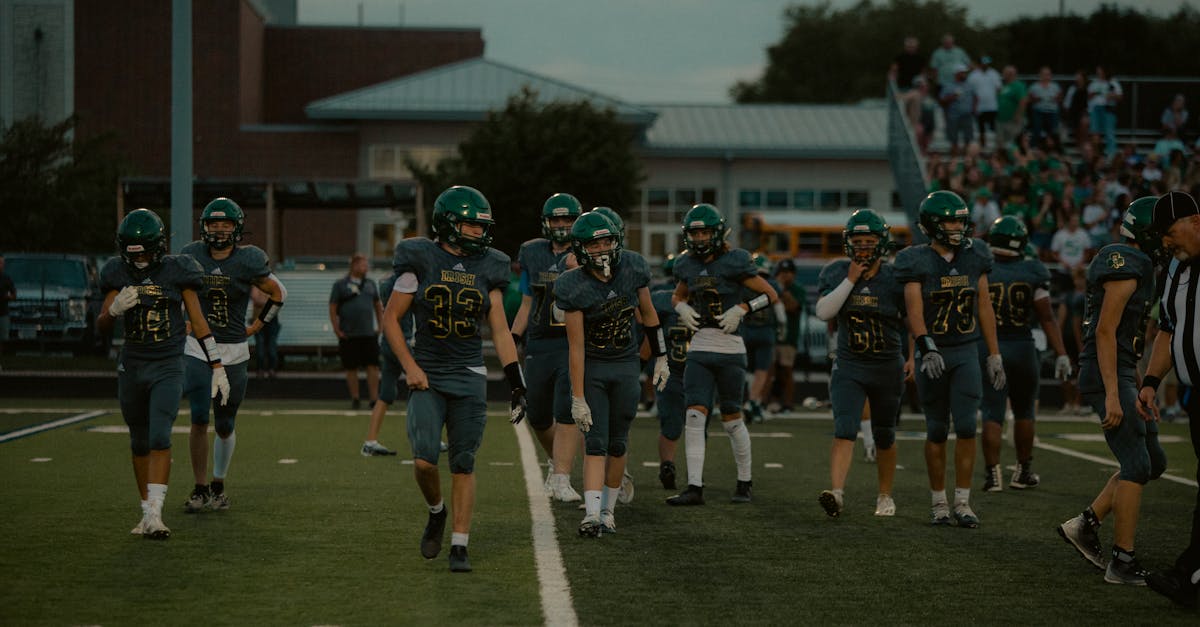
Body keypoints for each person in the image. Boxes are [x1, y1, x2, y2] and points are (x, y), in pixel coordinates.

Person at [380, 185, 528, 572]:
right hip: (428, 373)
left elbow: (499, 331)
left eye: (482, 227)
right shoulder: (420, 258)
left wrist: (516, 381)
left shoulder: (489, 266)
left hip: (469, 374)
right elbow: (391, 319)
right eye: (472, 226)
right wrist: (410, 366)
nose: (480, 233)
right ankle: (436, 511)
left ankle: (460, 544)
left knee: (463, 461)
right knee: (425, 460)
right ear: (448, 224)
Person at [96, 208, 229, 539]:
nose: (138, 262)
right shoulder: (116, 272)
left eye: (144, 254)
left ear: (158, 247)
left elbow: (197, 320)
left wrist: (216, 364)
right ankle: (146, 513)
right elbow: (101, 324)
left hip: (168, 362)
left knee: (159, 435)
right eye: (132, 254)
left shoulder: (176, 269)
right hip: (133, 363)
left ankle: (155, 512)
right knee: (139, 441)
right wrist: (113, 311)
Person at [1056, 196, 1167, 585]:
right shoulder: (1125, 260)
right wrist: (1114, 392)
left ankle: (1085, 524)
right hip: (1105, 372)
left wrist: (1137, 384)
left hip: (1120, 370)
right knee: (1136, 465)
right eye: (1163, 232)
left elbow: (1126, 338)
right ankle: (1122, 561)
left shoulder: (1139, 263)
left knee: (1154, 462)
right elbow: (1105, 330)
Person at [894, 191, 1004, 528]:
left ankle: (963, 502)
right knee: (937, 428)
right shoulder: (915, 259)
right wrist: (926, 347)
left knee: (968, 425)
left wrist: (995, 353)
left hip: (965, 350)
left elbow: (984, 305)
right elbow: (913, 312)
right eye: (950, 220)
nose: (958, 226)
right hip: (933, 353)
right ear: (932, 225)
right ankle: (939, 502)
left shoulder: (976, 255)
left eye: (960, 219)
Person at [555, 212, 667, 535]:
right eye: (595, 243)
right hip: (595, 367)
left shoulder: (632, 268)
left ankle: (608, 510)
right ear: (580, 248)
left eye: (607, 241)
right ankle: (591, 516)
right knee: (595, 441)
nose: (603, 248)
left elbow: (649, 315)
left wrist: (661, 357)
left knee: (618, 443)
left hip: (626, 365)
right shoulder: (573, 284)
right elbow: (575, 346)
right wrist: (577, 397)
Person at [666, 203, 779, 506]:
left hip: (730, 349)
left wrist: (742, 308)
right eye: (695, 232)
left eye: (705, 231)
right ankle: (694, 487)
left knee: (731, 419)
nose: (700, 237)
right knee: (693, 415)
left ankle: (745, 483)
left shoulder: (735, 261)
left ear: (717, 233)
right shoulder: (686, 264)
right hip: (700, 346)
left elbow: (770, 294)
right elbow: (678, 293)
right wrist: (681, 306)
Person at [180, 198, 286, 513]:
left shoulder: (248, 260)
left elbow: (278, 293)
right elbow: (174, 290)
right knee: (199, 418)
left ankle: (218, 484)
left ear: (236, 227)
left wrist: (256, 325)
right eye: (214, 223)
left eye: (225, 224)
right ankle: (199, 488)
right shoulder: (190, 255)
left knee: (225, 424)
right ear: (204, 226)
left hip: (235, 350)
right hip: (198, 348)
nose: (219, 229)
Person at [814, 210, 909, 518]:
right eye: (858, 241)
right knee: (844, 429)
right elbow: (824, 312)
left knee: (884, 434)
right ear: (848, 243)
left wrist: (911, 357)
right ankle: (837, 493)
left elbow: (912, 319)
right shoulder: (837, 271)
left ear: (881, 243)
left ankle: (884, 496)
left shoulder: (896, 277)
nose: (864, 247)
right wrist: (851, 279)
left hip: (886, 365)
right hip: (850, 365)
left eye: (870, 241)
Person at [978, 216, 1072, 492]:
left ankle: (992, 475)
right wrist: (1062, 353)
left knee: (992, 413)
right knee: (1024, 412)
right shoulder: (1032, 269)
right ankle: (1022, 471)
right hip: (1023, 346)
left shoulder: (983, 269)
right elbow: (1047, 317)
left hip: (991, 346)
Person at [1143, 190, 1200, 606]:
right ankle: (1189, 575)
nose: (1166, 242)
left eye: (1169, 232)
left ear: (1194, 222)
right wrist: (1150, 380)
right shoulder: (1177, 272)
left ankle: (1188, 574)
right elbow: (1167, 329)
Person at [510, 192, 584, 501]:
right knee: (538, 416)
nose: (563, 225)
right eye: (557, 219)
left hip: (571, 342)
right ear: (547, 222)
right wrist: (513, 337)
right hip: (539, 342)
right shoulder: (532, 253)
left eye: (568, 219)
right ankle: (556, 461)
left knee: (567, 410)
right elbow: (527, 302)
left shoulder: (587, 251)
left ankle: (562, 477)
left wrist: (579, 266)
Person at [651, 254, 689, 489]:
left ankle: (693, 473)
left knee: (695, 424)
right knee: (672, 423)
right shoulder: (663, 300)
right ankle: (668, 464)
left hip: (699, 370)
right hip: (672, 370)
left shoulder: (710, 300)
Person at [361, 271, 408, 457]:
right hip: (400, 341)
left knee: (386, 394)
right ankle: (430, 437)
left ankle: (370, 441)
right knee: (424, 385)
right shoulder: (403, 281)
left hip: (388, 341)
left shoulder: (387, 281)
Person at [329, 253, 384, 410]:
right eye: (362, 264)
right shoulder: (340, 285)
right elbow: (332, 308)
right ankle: (355, 398)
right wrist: (336, 329)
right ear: (353, 265)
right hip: (349, 334)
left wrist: (380, 326)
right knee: (351, 367)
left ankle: (374, 399)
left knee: (372, 366)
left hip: (368, 334)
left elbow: (378, 306)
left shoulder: (371, 284)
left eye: (366, 265)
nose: (365, 267)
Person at [742, 253, 786, 423]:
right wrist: (782, 329)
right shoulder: (772, 284)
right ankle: (753, 402)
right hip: (766, 331)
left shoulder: (745, 284)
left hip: (746, 330)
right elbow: (779, 310)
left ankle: (750, 402)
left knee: (748, 369)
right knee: (762, 370)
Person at [769, 258, 802, 413]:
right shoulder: (771, 288)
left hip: (789, 337)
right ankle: (771, 402)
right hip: (772, 334)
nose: (785, 276)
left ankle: (788, 403)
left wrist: (782, 291)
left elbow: (793, 307)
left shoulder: (797, 289)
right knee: (771, 370)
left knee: (787, 370)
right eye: (782, 273)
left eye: (788, 273)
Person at [939, 63, 975, 157]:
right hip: (953, 116)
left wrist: (974, 109)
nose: (965, 74)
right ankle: (954, 161)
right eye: (962, 73)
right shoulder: (948, 86)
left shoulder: (969, 85)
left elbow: (975, 97)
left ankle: (967, 160)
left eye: (965, 73)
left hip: (967, 115)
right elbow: (942, 101)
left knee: (968, 139)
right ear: (957, 74)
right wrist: (952, 97)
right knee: (953, 140)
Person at [967, 56, 1002, 149]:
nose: (986, 65)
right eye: (984, 63)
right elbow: (970, 91)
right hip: (979, 107)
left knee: (995, 129)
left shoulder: (994, 73)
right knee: (981, 130)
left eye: (987, 64)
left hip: (992, 106)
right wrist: (973, 106)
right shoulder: (973, 75)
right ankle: (983, 148)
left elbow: (999, 89)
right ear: (980, 64)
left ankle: (997, 148)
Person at [1088, 65, 1122, 157]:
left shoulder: (1113, 82)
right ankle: (1096, 155)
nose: (1098, 73)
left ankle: (1111, 154)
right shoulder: (1094, 83)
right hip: (1095, 109)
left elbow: (1120, 97)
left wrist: (1112, 96)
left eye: (1100, 71)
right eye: (1097, 71)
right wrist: (1095, 93)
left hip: (1108, 108)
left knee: (1109, 132)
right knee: (1095, 132)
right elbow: (1088, 96)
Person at [250, 284, 281, 379]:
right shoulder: (257, 284)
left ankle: (271, 369)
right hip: (259, 319)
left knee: (271, 345)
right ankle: (261, 369)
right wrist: (270, 302)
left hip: (271, 319)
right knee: (260, 345)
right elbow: (256, 298)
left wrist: (265, 301)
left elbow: (278, 299)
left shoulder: (273, 284)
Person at [1028, 66, 1062, 148]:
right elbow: (1029, 99)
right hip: (1038, 111)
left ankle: (1053, 149)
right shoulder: (1034, 86)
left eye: (1048, 74)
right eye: (1044, 74)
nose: (1046, 76)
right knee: (1036, 131)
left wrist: (1056, 99)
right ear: (1040, 75)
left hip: (1052, 112)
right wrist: (1035, 99)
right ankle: (1034, 148)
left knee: (1053, 132)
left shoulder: (1055, 86)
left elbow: (1060, 99)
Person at [996, 65, 1028, 150]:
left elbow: (1023, 101)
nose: (1003, 75)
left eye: (1004, 73)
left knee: (1013, 143)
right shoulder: (1005, 86)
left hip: (1012, 121)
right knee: (1001, 143)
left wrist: (1018, 115)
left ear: (1010, 74)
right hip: (1001, 119)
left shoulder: (1018, 86)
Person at [0, 253, 14, 358]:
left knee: (3, 338)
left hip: (3, 313)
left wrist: (8, 296)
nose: (0, 265)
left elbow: (14, 294)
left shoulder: (6, 279)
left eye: (2, 263)